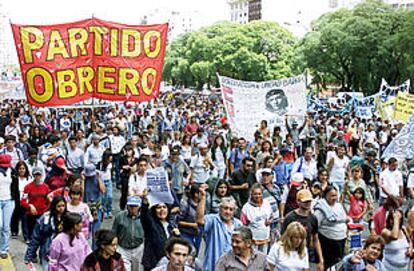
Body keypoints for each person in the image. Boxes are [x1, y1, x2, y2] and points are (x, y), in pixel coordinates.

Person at [196, 190, 242, 271]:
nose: (228, 212)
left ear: (234, 211)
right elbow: (200, 220)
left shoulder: (238, 224)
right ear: (220, 208)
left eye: (231, 209)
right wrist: (203, 198)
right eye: (225, 208)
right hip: (213, 266)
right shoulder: (213, 220)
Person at [281, 189, 324, 271]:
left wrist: (321, 260)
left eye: (309, 201)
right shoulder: (290, 217)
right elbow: (283, 238)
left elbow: (315, 239)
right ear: (298, 201)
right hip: (291, 252)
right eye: (305, 201)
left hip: (305, 251)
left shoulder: (313, 218)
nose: (307, 203)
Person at [24, 196, 67, 271]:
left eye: (63, 206)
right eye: (59, 206)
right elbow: (36, 238)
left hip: (64, 254)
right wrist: (29, 256)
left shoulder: (69, 218)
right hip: (47, 253)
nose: (61, 208)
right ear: (54, 206)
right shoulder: (45, 218)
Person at [141, 191, 180, 271]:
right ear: (154, 210)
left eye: (164, 207)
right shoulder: (151, 223)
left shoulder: (171, 225)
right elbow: (144, 215)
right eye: (159, 207)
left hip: (168, 264)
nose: (162, 210)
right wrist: (145, 201)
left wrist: (177, 235)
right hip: (153, 263)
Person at [314, 185, 348, 269]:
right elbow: (315, 226)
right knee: (328, 264)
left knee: (338, 264)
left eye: (336, 195)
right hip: (327, 242)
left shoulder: (339, 206)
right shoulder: (320, 209)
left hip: (341, 240)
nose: (334, 198)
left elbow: (345, 219)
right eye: (332, 195)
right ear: (326, 195)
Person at [112, 196, 144, 271]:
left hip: (138, 249)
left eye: (135, 206)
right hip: (123, 248)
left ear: (139, 206)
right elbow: (113, 232)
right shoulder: (119, 216)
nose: (133, 208)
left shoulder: (144, 217)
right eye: (131, 206)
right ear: (127, 206)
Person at [21, 166, 50, 242]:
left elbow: (49, 200)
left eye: (39, 174)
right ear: (33, 175)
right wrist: (29, 206)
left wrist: (46, 209)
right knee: (31, 229)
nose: (37, 176)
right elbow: (23, 201)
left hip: (42, 212)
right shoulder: (28, 187)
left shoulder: (46, 187)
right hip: (31, 213)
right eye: (36, 174)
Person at [240, 183, 272, 253]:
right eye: (255, 194)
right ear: (251, 195)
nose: (258, 196)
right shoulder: (246, 207)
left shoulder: (267, 204)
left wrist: (269, 221)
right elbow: (243, 225)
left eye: (259, 194)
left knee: (263, 258)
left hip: (265, 238)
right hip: (253, 240)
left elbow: (270, 216)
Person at [0, 154, 18, 259]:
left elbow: (15, 187)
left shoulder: (13, 172)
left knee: (6, 227)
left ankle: (4, 249)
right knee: (0, 225)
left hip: (9, 201)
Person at [11, 160, 30, 241]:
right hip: (17, 200)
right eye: (20, 169)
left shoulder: (29, 178)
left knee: (25, 219)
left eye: (23, 168)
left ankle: (26, 236)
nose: (21, 170)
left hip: (26, 200)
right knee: (15, 216)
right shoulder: (15, 178)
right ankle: (14, 231)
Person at [97, 149, 113, 219]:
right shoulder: (100, 164)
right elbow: (97, 173)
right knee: (103, 197)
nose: (111, 157)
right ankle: (104, 211)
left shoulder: (110, 163)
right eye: (110, 156)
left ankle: (109, 210)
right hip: (102, 181)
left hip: (109, 181)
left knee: (109, 196)